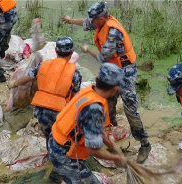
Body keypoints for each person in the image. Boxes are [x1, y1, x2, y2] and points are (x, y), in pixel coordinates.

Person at [61, 1, 151, 163]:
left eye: (94, 20)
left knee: (130, 108)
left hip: (125, 71)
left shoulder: (113, 33)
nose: (91, 22)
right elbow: (86, 22)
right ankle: (111, 127)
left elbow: (102, 57)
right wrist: (70, 20)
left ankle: (144, 143)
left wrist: (88, 50)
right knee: (107, 100)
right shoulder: (100, 21)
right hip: (111, 69)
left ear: (101, 19)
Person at [8, 37, 82, 182]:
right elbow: (75, 96)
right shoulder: (75, 73)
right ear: (72, 52)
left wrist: (14, 83)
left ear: (56, 51)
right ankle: (57, 170)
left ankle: (51, 155)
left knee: (49, 136)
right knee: (63, 140)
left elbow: (28, 77)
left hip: (40, 110)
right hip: (58, 112)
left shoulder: (44, 64)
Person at [49, 63, 128, 184]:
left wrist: (112, 146)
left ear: (97, 80)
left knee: (65, 169)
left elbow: (95, 127)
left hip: (56, 140)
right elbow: (92, 150)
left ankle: (55, 177)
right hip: (64, 151)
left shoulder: (89, 91)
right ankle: (59, 175)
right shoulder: (95, 109)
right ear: (115, 90)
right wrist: (116, 158)